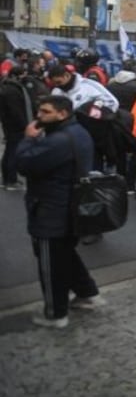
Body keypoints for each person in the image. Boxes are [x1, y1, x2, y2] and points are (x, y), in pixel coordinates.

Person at [16, 94, 103, 328]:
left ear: (62, 114)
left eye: (45, 112)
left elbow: (24, 164)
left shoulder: (58, 140)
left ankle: (56, 314)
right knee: (64, 254)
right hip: (69, 207)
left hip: (51, 210)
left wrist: (28, 140)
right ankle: (86, 293)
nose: (39, 116)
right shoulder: (77, 131)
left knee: (51, 263)